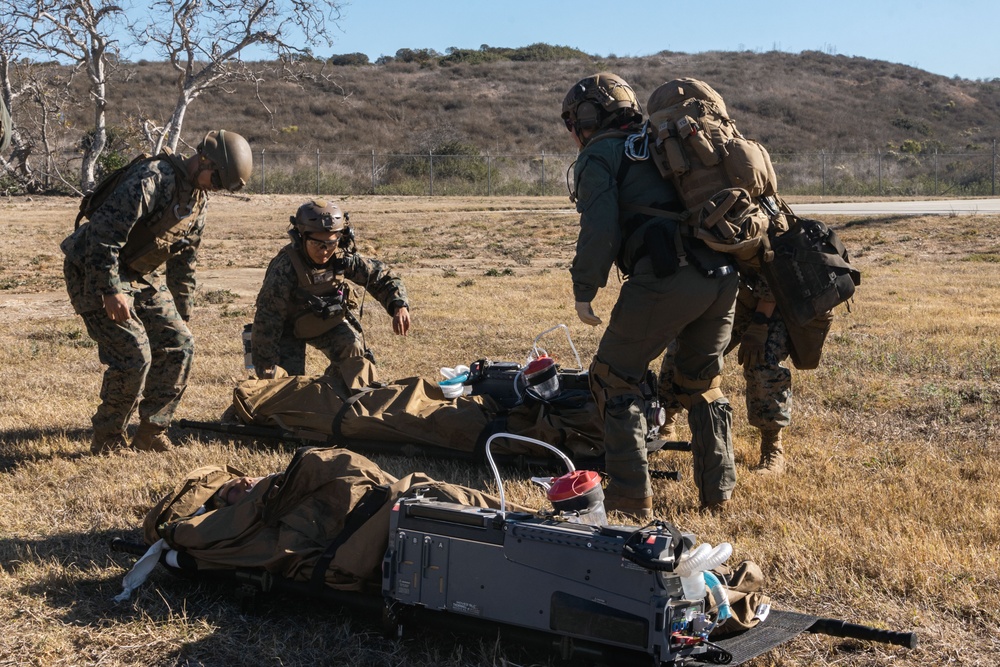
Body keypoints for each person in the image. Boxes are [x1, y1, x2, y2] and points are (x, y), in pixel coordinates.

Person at [562, 72, 739, 517]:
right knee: (703, 384)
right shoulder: (664, 141)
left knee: (613, 378)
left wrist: (585, 289)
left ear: (584, 118)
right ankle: (718, 496)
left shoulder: (599, 155)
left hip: (669, 274)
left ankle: (629, 502)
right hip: (722, 273)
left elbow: (600, 227)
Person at [62, 129, 253, 455]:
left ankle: (151, 432)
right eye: (217, 179)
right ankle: (107, 440)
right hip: (93, 269)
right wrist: (109, 289)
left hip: (136, 275)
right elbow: (104, 234)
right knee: (134, 355)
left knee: (180, 344)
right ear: (204, 159)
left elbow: (184, 264)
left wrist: (182, 314)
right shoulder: (153, 178)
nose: (215, 188)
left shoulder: (197, 200)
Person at [250, 199, 411, 378]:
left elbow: (379, 275)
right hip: (288, 328)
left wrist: (399, 304)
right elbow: (267, 319)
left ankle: (334, 394)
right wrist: (266, 364)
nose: (325, 251)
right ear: (300, 237)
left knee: (353, 353)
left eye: (331, 243)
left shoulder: (342, 257)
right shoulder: (285, 268)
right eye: (316, 244)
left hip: (326, 320)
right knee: (285, 384)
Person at [658, 266, 792, 474]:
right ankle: (665, 422)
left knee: (764, 364)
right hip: (727, 295)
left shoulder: (771, 231)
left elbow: (778, 268)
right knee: (681, 352)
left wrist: (759, 323)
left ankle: (772, 446)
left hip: (772, 303)